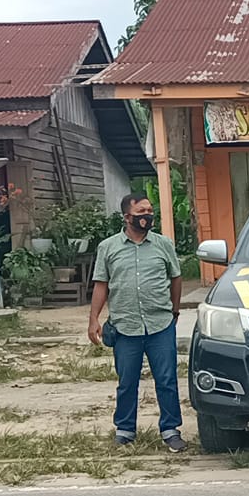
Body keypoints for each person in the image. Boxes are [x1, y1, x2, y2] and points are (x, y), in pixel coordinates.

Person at [88, 193, 187, 452]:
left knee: (166, 379)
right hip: (125, 325)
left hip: (160, 324)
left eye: (149, 210)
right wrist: (93, 319)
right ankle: (125, 430)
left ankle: (170, 430)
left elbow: (175, 277)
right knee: (127, 381)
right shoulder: (108, 247)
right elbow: (101, 284)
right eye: (141, 211)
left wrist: (174, 310)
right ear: (127, 217)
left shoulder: (163, 244)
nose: (147, 215)